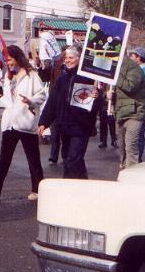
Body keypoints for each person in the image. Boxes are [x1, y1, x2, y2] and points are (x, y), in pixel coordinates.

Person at [0, 45, 46, 203]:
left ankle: (38, 190)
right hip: (9, 123)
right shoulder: (8, 77)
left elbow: (42, 95)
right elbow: (7, 101)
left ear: (18, 58)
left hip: (25, 123)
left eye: (10, 59)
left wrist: (31, 101)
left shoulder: (31, 75)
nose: (8, 63)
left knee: (33, 159)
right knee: (4, 159)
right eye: (6, 60)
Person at [37, 46, 100, 179]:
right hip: (64, 126)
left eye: (71, 58)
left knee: (73, 160)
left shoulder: (88, 78)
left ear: (78, 59)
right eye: (66, 58)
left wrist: (97, 96)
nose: (67, 60)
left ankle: (68, 185)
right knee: (67, 158)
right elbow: (52, 103)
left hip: (81, 127)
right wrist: (44, 122)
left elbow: (96, 106)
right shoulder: (62, 80)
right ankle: (82, 184)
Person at [108, 55, 145, 169]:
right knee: (121, 146)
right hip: (120, 112)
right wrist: (108, 94)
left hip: (134, 112)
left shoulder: (133, 67)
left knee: (131, 146)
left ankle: (132, 173)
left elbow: (130, 86)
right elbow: (112, 89)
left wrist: (115, 74)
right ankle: (124, 167)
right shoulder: (114, 65)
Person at [128, 47, 145, 162]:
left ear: (139, 58)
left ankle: (138, 159)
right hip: (136, 105)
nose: (130, 58)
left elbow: (136, 88)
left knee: (138, 134)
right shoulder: (140, 70)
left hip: (140, 106)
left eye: (132, 56)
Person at [96, 82, 118, 149]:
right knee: (103, 124)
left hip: (110, 105)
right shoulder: (99, 82)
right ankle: (103, 141)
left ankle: (114, 140)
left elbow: (114, 92)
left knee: (112, 123)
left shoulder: (111, 82)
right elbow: (98, 93)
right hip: (102, 104)